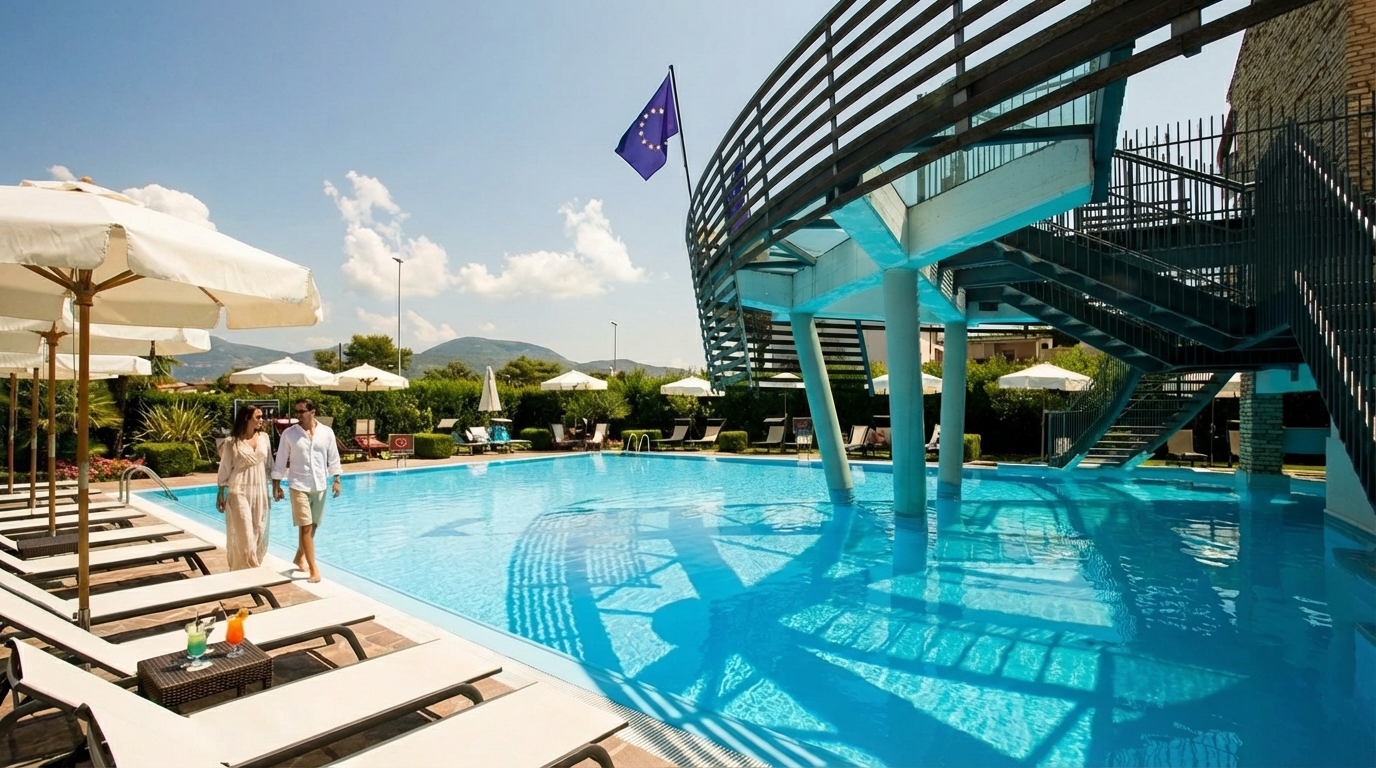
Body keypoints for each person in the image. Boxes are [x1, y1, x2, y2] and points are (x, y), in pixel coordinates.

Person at [272, 398, 341, 582]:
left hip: (320, 485)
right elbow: (281, 460)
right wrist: (276, 484)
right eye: (296, 412)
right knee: (306, 527)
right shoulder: (289, 434)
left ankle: (298, 556)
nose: (298, 415)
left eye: (302, 412)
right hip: (298, 485)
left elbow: (333, 457)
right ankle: (314, 570)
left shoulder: (327, 433)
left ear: (312, 412)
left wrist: (337, 480)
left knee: (314, 526)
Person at [215, 405, 271, 570]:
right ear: (246, 418)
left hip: (259, 489)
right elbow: (224, 467)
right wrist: (220, 492)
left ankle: (246, 567)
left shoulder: (264, 438)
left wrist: (275, 486)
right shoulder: (232, 442)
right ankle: (249, 570)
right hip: (238, 489)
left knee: (258, 530)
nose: (262, 420)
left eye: (262, 417)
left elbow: (269, 465)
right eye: (258, 417)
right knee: (246, 532)